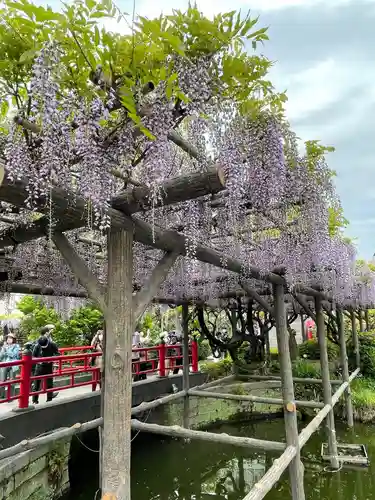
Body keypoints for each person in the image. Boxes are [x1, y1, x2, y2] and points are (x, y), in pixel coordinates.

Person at [32, 329, 59, 404]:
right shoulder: (37, 345)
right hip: (39, 367)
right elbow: (33, 356)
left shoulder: (52, 344)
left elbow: (57, 354)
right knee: (36, 385)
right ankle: (35, 400)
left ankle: (49, 399)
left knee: (49, 384)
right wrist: (38, 360)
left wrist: (51, 359)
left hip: (48, 366)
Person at [0, 333, 20, 400]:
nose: (9, 339)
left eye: (10, 338)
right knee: (2, 381)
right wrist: (3, 350)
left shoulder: (16, 346)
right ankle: (1, 396)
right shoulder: (4, 346)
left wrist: (7, 350)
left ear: (13, 339)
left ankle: (11, 397)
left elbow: (14, 355)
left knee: (12, 381)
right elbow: (1, 356)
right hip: (4, 364)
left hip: (13, 365)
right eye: (8, 338)